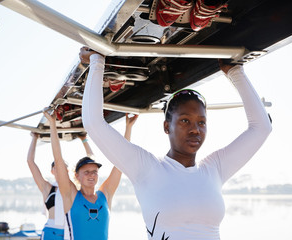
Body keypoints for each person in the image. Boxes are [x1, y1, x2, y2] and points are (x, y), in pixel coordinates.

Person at [80, 47, 272, 239]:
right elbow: (94, 123)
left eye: (201, 122)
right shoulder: (147, 168)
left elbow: (262, 127)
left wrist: (235, 72)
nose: (195, 129)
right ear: (166, 126)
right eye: (185, 120)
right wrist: (97, 63)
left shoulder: (214, 169)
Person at [43, 110, 138, 240]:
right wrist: (52, 124)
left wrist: (128, 128)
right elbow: (58, 159)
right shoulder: (70, 195)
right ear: (77, 176)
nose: (91, 175)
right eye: (86, 172)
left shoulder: (105, 194)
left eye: (94, 172)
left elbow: (120, 162)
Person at [27, 130, 98, 239]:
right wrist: (34, 138)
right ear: (52, 171)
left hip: (70, 232)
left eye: (63, 166)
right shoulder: (48, 188)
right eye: (56, 167)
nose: (60, 169)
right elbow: (30, 162)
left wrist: (84, 140)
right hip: (51, 232)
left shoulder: (75, 189)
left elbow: (91, 162)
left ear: (67, 171)